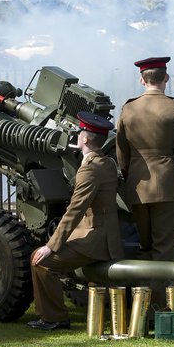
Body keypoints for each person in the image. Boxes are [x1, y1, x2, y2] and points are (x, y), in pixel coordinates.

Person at [115, 56, 174, 310]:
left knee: (144, 248)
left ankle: (140, 308)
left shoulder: (128, 108)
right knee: (164, 250)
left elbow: (121, 153)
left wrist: (129, 179)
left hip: (137, 188)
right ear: (166, 78)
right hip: (167, 187)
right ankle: (158, 308)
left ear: (142, 80)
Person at [28, 111, 123, 331]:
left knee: (40, 262)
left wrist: (51, 246)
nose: (78, 135)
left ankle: (54, 317)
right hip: (104, 234)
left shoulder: (90, 169)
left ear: (86, 139)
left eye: (80, 132)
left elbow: (75, 211)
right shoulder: (107, 163)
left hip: (95, 238)